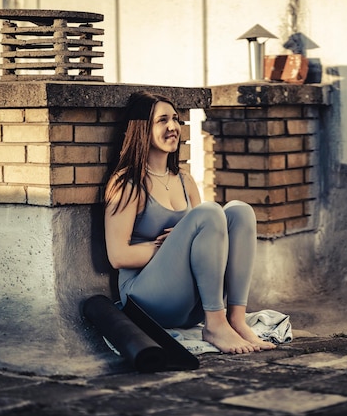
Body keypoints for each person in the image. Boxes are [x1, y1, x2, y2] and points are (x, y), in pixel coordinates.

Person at [104, 91, 276, 354]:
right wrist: (174, 244)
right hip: (145, 300)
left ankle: (235, 319)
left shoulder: (184, 180)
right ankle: (215, 325)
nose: (173, 127)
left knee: (239, 212)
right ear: (142, 129)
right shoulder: (127, 183)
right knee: (208, 212)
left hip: (190, 304)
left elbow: (208, 242)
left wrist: (183, 240)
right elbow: (117, 256)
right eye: (162, 120)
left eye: (175, 119)